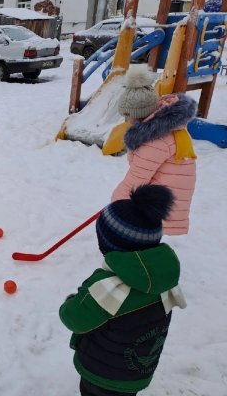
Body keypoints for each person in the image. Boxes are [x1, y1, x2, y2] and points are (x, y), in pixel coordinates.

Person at [59, 184, 186, 396]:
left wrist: (72, 301)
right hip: (137, 372)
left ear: (107, 244)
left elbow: (74, 318)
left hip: (102, 374)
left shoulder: (109, 287)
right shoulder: (162, 277)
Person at [113, 64, 198, 235]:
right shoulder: (166, 127)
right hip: (166, 195)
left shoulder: (155, 141)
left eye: (128, 116)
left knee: (143, 234)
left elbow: (137, 178)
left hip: (162, 201)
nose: (126, 120)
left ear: (139, 115)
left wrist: (115, 203)